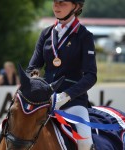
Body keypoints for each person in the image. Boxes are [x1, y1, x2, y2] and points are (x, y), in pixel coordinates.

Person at [26, 0, 97, 149]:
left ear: (76, 6)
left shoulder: (85, 36)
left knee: (85, 141)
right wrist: (35, 84)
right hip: (43, 101)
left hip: (73, 102)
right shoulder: (46, 33)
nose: (56, 6)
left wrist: (65, 95)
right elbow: (32, 67)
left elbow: (91, 76)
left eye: (62, 3)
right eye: (55, 2)